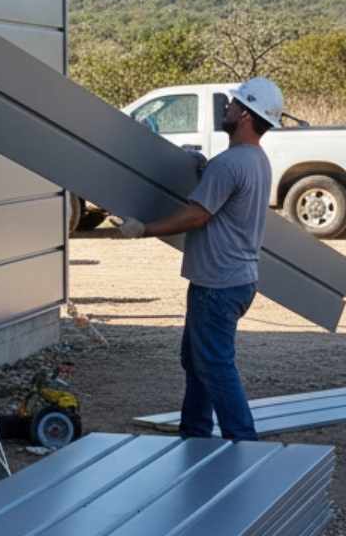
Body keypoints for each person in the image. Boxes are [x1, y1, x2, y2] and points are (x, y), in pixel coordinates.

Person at [117, 77, 284, 442]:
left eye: (233, 104)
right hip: (233, 279)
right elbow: (222, 194)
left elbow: (197, 215)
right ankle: (194, 435)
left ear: (244, 115)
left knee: (215, 366)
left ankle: (244, 442)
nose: (227, 108)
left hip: (218, 284)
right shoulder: (254, 160)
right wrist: (201, 167)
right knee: (198, 363)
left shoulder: (229, 165)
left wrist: (143, 229)